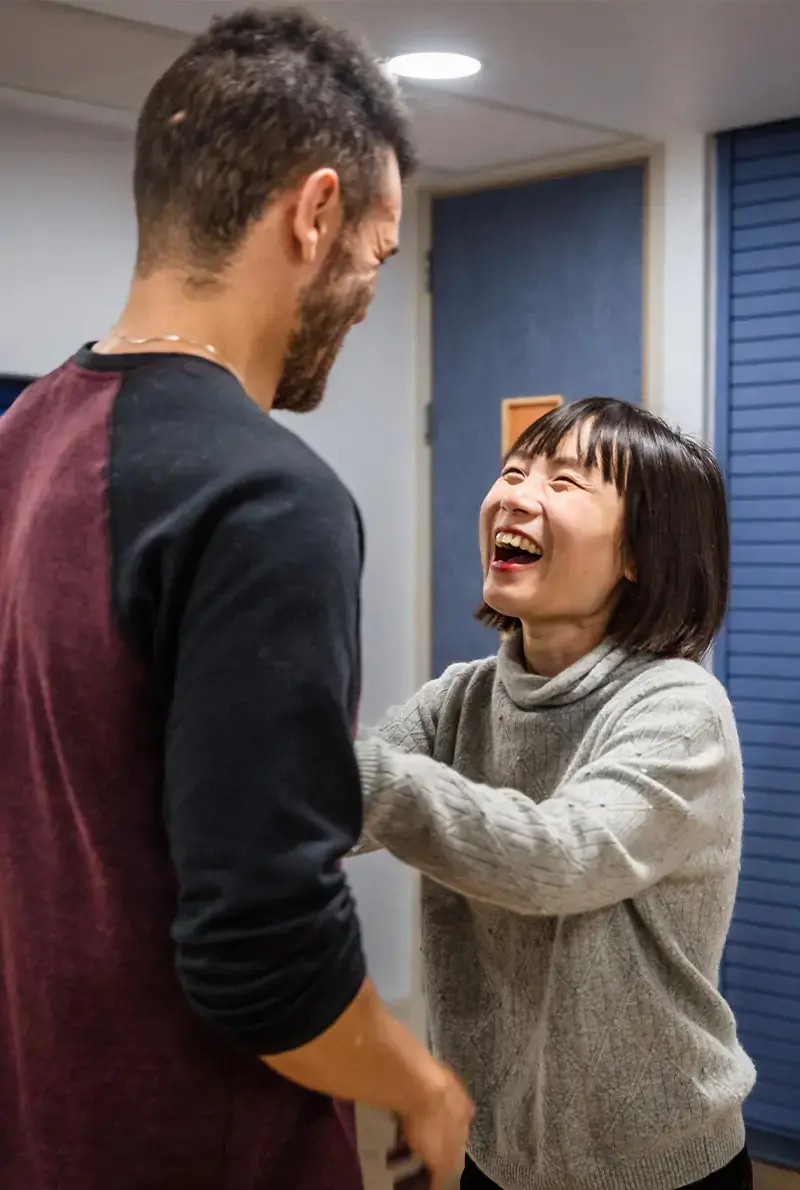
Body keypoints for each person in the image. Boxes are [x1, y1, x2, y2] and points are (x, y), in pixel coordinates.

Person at [0, 9, 472, 1190]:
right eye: (378, 246)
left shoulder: (23, 435)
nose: (371, 289)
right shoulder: (267, 497)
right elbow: (259, 949)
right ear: (314, 213)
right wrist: (417, 1080)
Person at [353, 397, 756, 1190]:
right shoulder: (460, 699)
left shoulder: (678, 708)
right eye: (512, 471)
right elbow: (325, 806)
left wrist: (342, 775)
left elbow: (559, 859)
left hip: (658, 1168)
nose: (515, 495)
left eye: (565, 482)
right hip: (494, 1151)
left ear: (640, 551)